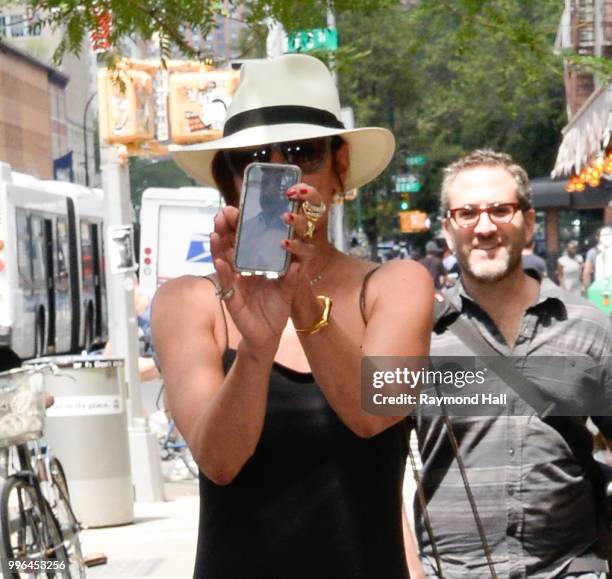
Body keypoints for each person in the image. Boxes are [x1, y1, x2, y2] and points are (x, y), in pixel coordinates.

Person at [154, 54, 434, 579]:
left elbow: (374, 414)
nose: (286, 175)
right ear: (232, 179)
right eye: (258, 157)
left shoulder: (395, 285)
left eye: (303, 154)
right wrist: (256, 350)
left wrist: (303, 304)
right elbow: (219, 461)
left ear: (339, 168)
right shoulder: (190, 302)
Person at [405, 150, 612, 578]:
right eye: (467, 213)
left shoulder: (588, 328)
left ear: (529, 222)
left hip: (569, 568)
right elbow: (375, 472)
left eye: (501, 210)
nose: (485, 227)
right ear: (448, 229)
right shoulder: (411, 335)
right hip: (451, 572)